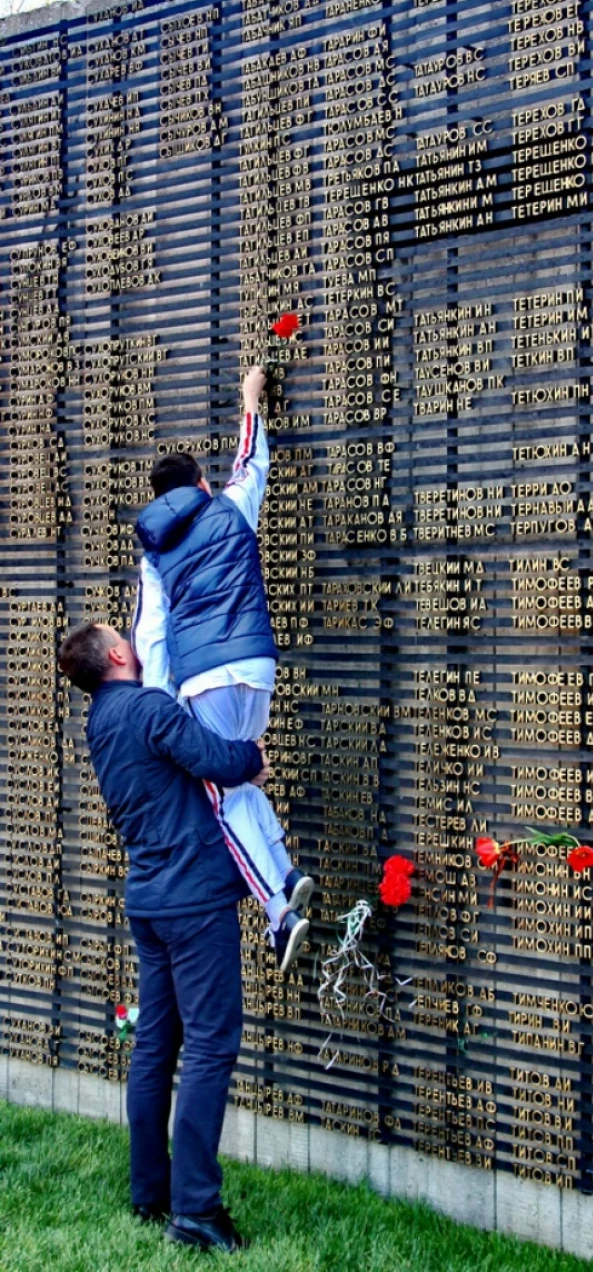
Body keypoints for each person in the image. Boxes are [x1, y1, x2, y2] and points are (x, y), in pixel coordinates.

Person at [58, 620, 266, 1253]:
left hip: (150, 901)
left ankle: (150, 1191)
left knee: (156, 1046)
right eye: (123, 633)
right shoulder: (147, 708)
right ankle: (197, 1209)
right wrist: (254, 755)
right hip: (194, 900)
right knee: (209, 1044)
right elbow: (214, 758)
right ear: (118, 654)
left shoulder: (100, 720)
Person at [132, 363, 314, 974]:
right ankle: (286, 875)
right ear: (202, 483)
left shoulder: (155, 551)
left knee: (221, 798)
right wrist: (251, 398)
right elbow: (252, 461)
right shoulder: (231, 506)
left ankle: (278, 912)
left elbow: (150, 634)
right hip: (257, 667)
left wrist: (157, 702)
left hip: (203, 681)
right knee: (240, 777)